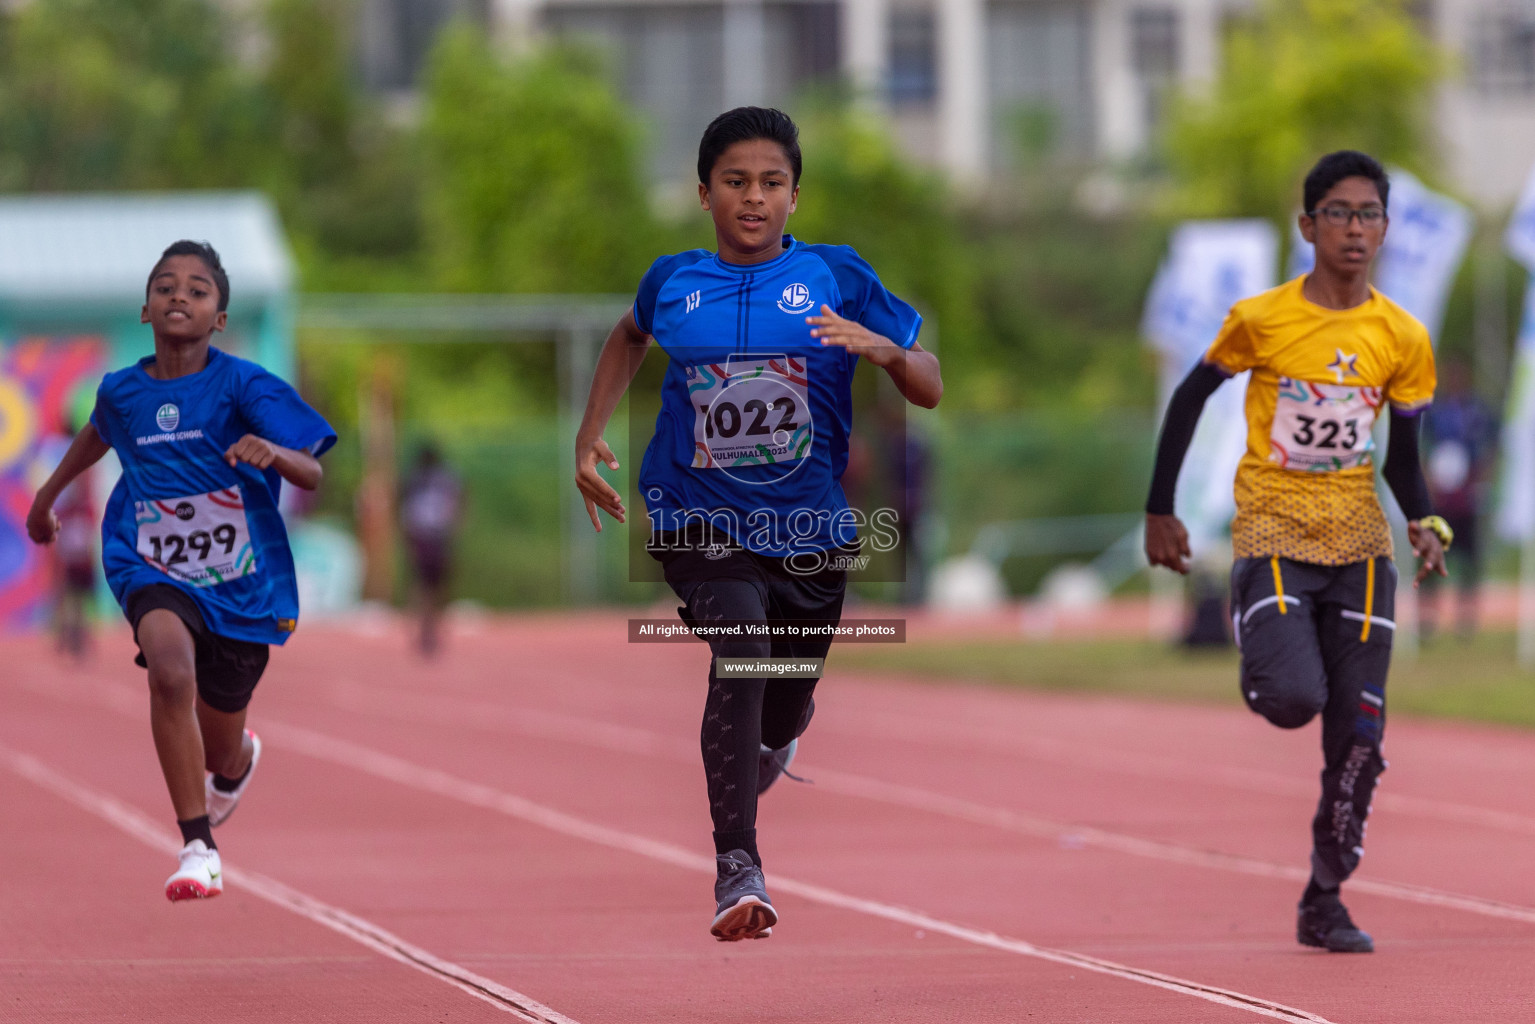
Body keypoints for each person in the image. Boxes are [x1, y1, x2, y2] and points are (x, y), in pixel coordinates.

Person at [574, 107, 941, 941]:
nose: (753, 198)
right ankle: (737, 866)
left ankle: (781, 733)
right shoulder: (672, 282)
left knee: (779, 703)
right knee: (740, 641)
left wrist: (885, 353)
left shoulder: (838, 277)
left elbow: (929, 383)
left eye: (771, 183)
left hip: (809, 533)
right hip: (693, 516)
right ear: (703, 193)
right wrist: (589, 434)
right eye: (735, 182)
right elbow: (626, 336)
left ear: (795, 197)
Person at [1144, 151, 1451, 954]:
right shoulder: (1262, 318)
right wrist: (1159, 509)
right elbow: (1188, 397)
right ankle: (1261, 641)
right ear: (1307, 224)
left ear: (1385, 228)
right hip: (1275, 527)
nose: (1355, 228)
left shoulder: (1401, 337)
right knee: (1290, 698)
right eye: (1339, 213)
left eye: (1369, 215)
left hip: (1358, 539)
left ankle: (1324, 898)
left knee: (1359, 738)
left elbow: (1403, 460)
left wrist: (1425, 523)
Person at [27, 240, 336, 901]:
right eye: (166, 286)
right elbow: (97, 432)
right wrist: (46, 497)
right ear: (144, 309)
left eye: (198, 290)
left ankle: (237, 763)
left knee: (220, 747)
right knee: (169, 674)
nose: (179, 296)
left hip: (240, 586)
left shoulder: (243, 384)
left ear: (219, 318)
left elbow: (312, 467)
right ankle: (198, 845)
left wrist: (275, 452)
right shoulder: (123, 392)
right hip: (150, 564)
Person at [1421, 359, 1497, 640]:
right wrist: (1429, 482)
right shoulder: (1434, 412)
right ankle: (1426, 621)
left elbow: (1490, 448)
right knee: (1431, 559)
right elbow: (1421, 448)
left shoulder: (1478, 411)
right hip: (1439, 502)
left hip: (1466, 500)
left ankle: (1466, 621)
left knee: (1469, 562)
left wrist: (1480, 481)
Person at [399, 441, 463, 656]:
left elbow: (457, 503)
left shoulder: (422, 479)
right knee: (427, 584)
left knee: (428, 584)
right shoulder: (434, 479)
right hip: (430, 536)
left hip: (429, 535)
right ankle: (426, 627)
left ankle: (429, 626)